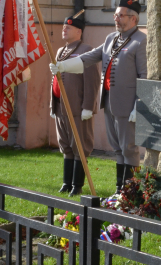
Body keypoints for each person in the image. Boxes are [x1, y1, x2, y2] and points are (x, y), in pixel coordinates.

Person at [50, 0, 147, 193]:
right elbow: (91, 56)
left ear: (134, 19)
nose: (116, 19)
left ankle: (131, 191)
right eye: (115, 15)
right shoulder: (111, 38)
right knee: (117, 148)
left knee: (129, 148)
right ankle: (120, 190)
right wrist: (64, 65)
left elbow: (144, 75)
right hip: (109, 101)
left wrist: (140, 105)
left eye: (121, 15)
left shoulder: (140, 40)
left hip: (128, 104)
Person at [50, 13, 100, 197]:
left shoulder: (87, 50)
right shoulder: (60, 51)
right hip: (61, 107)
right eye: (64, 26)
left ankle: (77, 185)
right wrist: (53, 104)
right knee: (66, 145)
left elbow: (93, 81)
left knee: (79, 145)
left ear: (79, 31)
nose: (64, 29)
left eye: (68, 27)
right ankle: (66, 182)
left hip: (78, 107)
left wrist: (88, 106)